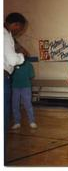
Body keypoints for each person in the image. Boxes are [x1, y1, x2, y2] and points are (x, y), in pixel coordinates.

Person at [4, 12, 26, 162]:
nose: (19, 31)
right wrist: (22, 56)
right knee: (3, 118)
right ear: (16, 24)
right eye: (20, 28)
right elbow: (12, 60)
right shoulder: (6, 35)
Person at [11, 58, 37, 129]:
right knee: (15, 105)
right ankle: (17, 122)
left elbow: (31, 76)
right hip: (15, 86)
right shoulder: (13, 64)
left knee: (28, 104)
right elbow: (10, 75)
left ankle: (32, 121)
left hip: (26, 87)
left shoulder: (29, 65)